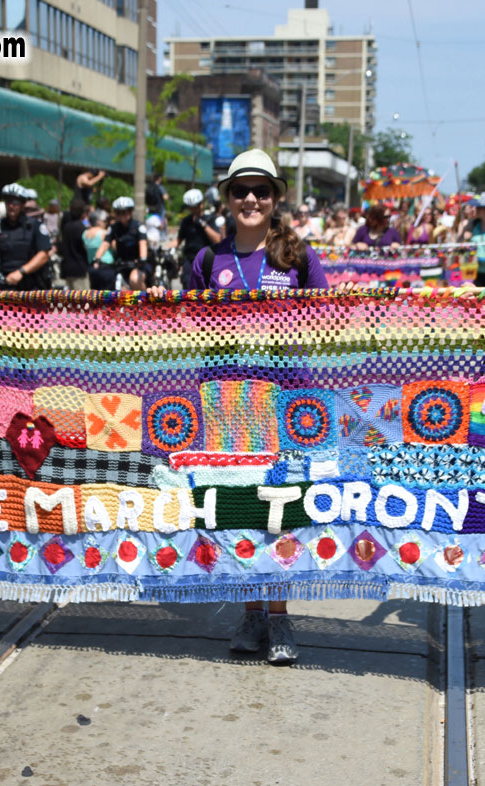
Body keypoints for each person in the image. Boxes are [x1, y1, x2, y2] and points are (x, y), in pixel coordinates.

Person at [187, 148, 331, 664]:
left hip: (285, 400)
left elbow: (325, 319)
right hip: (225, 402)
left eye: (261, 191)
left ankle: (280, 614)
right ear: (227, 198)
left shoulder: (299, 256)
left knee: (283, 506)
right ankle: (252, 613)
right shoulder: (208, 261)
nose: (251, 199)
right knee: (240, 507)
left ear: (276, 198)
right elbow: (189, 326)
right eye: (241, 190)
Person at [95, 196, 149, 290]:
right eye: (118, 212)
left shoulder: (139, 226)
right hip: (121, 264)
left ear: (131, 212)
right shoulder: (113, 227)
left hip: (138, 264)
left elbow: (143, 244)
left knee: (134, 280)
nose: (121, 215)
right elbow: (105, 244)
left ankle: (146, 298)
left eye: (124, 212)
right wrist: (97, 259)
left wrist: (142, 259)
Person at [176, 189, 221, 283]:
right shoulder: (186, 221)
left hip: (208, 259)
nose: (193, 210)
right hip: (190, 258)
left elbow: (217, 240)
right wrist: (166, 248)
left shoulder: (210, 219)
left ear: (201, 205)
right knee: (187, 282)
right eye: (190, 207)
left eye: (195, 207)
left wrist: (203, 224)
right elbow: (178, 240)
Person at [58, 198, 90, 290]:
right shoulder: (82, 227)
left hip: (67, 268)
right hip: (80, 269)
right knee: (83, 297)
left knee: (72, 297)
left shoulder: (66, 227)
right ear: (83, 213)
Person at [83, 209, 117, 291]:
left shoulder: (84, 233)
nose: (106, 223)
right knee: (108, 295)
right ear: (98, 221)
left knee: (95, 295)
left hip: (92, 267)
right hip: (106, 268)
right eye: (105, 221)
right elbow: (116, 247)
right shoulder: (104, 233)